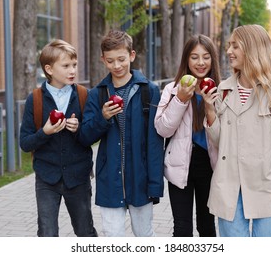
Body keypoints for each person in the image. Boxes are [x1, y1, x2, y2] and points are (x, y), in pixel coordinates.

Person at [202, 24, 271, 237]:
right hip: (229, 188)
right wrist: (210, 110)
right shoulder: (223, 89)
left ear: (252, 49)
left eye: (235, 46)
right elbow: (220, 141)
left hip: (268, 189)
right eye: (229, 45)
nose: (229, 51)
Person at [79, 30, 164, 237]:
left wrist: (155, 184)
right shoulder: (97, 94)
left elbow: (155, 142)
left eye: (121, 59)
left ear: (132, 56)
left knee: (144, 236)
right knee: (113, 237)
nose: (116, 66)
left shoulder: (149, 90)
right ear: (103, 60)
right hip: (110, 180)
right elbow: (84, 137)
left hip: (140, 179)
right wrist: (103, 117)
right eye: (110, 61)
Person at [19, 39, 97, 237]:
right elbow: (25, 143)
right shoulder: (35, 99)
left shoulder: (83, 95)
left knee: (85, 231)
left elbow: (91, 137)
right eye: (66, 66)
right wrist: (45, 132)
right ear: (49, 69)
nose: (72, 70)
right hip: (47, 179)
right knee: (47, 233)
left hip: (78, 177)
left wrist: (79, 129)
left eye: (74, 65)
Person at [154, 34, 220, 237]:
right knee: (182, 229)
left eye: (206, 57)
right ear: (186, 59)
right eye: (194, 57)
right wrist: (181, 99)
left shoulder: (222, 90)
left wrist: (210, 105)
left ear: (213, 59)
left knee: (207, 226)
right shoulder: (172, 89)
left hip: (210, 166)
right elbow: (163, 129)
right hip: (179, 164)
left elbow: (225, 136)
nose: (200, 62)